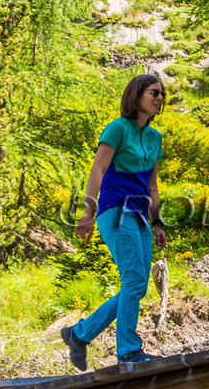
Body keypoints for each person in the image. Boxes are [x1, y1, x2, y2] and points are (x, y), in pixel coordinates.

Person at [60, 74, 170, 369]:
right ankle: (129, 352)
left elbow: (152, 186)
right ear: (136, 96)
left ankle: (79, 334)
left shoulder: (154, 137)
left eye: (162, 94)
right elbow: (98, 170)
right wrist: (88, 211)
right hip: (114, 209)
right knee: (134, 280)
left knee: (137, 285)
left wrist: (157, 222)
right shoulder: (117, 128)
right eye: (154, 92)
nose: (160, 98)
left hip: (139, 215)